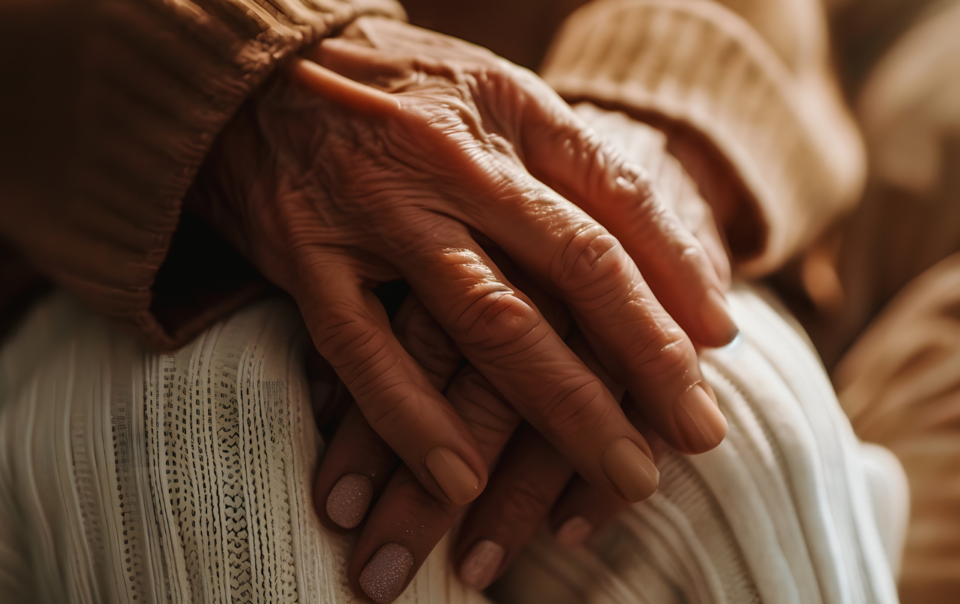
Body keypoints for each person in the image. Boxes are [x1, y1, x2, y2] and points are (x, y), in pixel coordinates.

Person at [0, 0, 920, 602]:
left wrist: (645, 124)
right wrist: (235, 69)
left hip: (553, 110)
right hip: (107, 191)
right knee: (215, 450)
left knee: (734, 445)